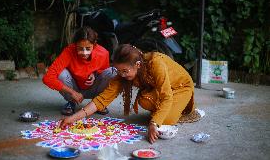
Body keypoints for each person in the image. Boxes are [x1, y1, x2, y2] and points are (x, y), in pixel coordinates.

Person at [59, 44, 201, 143]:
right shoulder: (123, 73)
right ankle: (162, 113)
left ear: (138, 65)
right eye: (119, 71)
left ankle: (173, 111)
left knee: (164, 121)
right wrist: (74, 118)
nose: (122, 75)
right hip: (161, 91)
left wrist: (154, 123)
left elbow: (166, 95)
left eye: (125, 71)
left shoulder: (156, 63)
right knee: (145, 100)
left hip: (181, 87)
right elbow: (102, 99)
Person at [43, 26, 116, 115]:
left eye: (88, 48)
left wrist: (94, 73)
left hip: (93, 88)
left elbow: (103, 71)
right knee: (61, 74)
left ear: (95, 45)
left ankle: (98, 103)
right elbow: (47, 78)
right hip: (73, 88)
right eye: (80, 48)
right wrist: (72, 92)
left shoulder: (103, 53)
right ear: (75, 45)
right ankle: (71, 102)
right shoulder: (69, 51)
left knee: (112, 72)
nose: (84, 53)